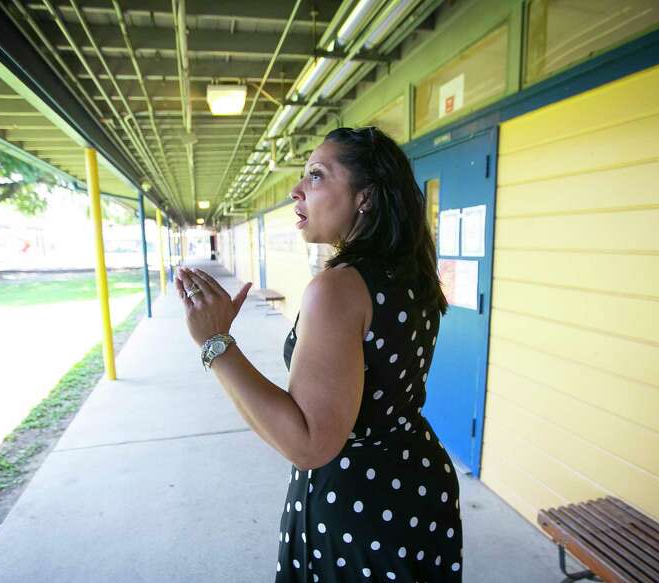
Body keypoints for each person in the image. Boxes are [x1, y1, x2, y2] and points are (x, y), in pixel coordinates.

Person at [175, 126, 461, 582]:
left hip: (359, 504)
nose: (296, 190)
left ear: (364, 197)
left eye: (316, 176)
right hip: (415, 481)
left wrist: (217, 344)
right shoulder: (409, 274)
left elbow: (309, 443)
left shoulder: (338, 288)